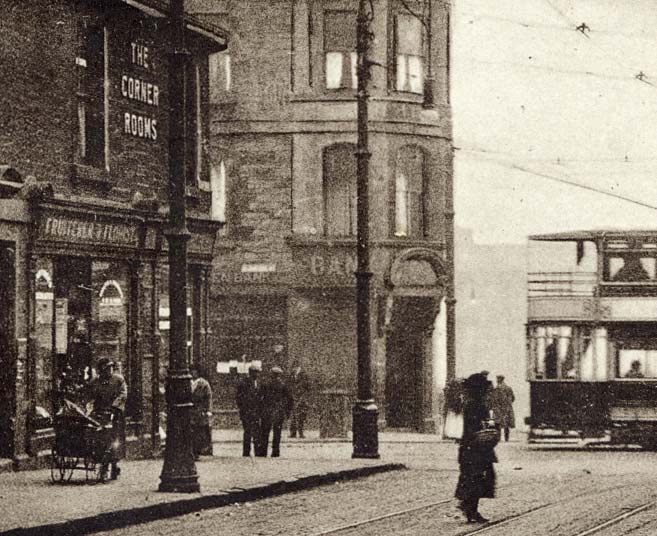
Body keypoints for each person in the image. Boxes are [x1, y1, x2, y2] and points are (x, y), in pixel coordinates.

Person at [455, 373, 497, 524]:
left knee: (473, 478)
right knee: (477, 478)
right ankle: (469, 508)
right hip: (477, 449)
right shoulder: (476, 406)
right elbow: (478, 427)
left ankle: (469, 507)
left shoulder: (472, 404)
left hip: (470, 448)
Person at [87, 357, 127, 481]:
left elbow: (123, 394)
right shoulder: (95, 382)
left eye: (110, 367)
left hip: (115, 415)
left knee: (114, 440)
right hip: (99, 414)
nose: (109, 370)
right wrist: (88, 406)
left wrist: (114, 407)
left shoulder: (118, 380)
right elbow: (89, 395)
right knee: (100, 438)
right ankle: (103, 463)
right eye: (106, 368)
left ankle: (113, 465)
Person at [260, 366, 293, 457]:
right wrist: (287, 412)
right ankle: (275, 451)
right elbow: (290, 399)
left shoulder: (265, 384)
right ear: (279, 375)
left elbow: (260, 397)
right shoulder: (283, 385)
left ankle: (263, 451)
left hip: (267, 411)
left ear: (271, 374)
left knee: (265, 432)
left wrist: (261, 409)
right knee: (277, 433)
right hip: (278, 412)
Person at [236, 362, 263, 457]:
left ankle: (257, 451)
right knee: (247, 432)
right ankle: (246, 452)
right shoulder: (244, 383)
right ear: (251, 372)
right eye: (256, 372)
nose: (258, 375)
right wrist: (243, 409)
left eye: (258, 373)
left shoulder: (258, 383)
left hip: (256, 412)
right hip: (247, 412)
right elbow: (239, 398)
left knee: (256, 432)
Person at [191, 367, 213, 458]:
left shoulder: (203, 384)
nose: (193, 373)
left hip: (200, 411)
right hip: (192, 411)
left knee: (199, 431)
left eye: (195, 371)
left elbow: (208, 397)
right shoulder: (189, 382)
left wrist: (208, 410)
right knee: (193, 431)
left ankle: (198, 451)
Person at [489, 375, 515, 442]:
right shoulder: (508, 388)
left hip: (499, 408)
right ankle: (506, 438)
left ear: (499, 380)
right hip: (507, 408)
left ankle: (499, 438)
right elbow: (513, 398)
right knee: (506, 424)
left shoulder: (497, 388)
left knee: (498, 424)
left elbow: (494, 399)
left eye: (497, 379)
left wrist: (494, 406)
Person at [288, 364, 310, 438]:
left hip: (301, 398)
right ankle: (293, 433)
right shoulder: (292, 375)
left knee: (300, 416)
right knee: (293, 416)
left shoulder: (304, 375)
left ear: (298, 368)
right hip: (293, 398)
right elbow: (290, 385)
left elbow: (307, 387)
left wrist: (303, 397)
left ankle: (300, 433)